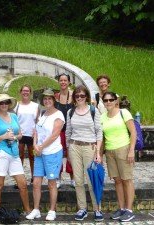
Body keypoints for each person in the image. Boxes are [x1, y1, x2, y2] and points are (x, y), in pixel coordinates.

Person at [0, 93, 31, 214]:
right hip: (0, 153)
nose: (4, 104)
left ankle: (28, 210)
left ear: (9, 104)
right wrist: (3, 136)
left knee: (22, 184)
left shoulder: (14, 116)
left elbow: (20, 134)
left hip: (14, 152)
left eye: (6, 102)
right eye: (1, 102)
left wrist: (14, 137)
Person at [65, 85, 103, 221]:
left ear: (86, 96)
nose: (79, 98)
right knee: (78, 180)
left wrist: (98, 152)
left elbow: (99, 132)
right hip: (75, 147)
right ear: (74, 98)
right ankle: (82, 208)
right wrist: (68, 151)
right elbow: (68, 132)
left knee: (92, 179)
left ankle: (97, 208)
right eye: (77, 96)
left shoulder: (94, 111)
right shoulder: (70, 112)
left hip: (90, 147)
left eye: (82, 95)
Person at [26, 89, 65, 221]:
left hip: (52, 152)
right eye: (45, 99)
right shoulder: (43, 114)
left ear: (54, 100)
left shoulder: (58, 115)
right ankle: (36, 209)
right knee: (36, 182)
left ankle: (52, 210)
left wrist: (41, 147)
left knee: (51, 183)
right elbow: (36, 131)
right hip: (39, 153)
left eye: (49, 99)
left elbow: (54, 135)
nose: (47, 101)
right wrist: (35, 144)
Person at [101, 92, 136, 222]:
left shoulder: (124, 113)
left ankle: (129, 210)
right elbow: (102, 137)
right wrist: (100, 154)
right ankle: (121, 208)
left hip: (124, 149)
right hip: (110, 151)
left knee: (127, 179)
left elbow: (133, 132)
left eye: (111, 99)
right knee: (117, 181)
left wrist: (131, 150)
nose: (108, 102)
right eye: (105, 100)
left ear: (116, 101)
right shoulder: (102, 117)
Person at [14, 84, 39, 185]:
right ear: (20, 92)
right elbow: (14, 120)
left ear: (30, 92)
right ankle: (20, 179)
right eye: (23, 91)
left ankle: (34, 177)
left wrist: (36, 133)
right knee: (19, 156)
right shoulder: (16, 105)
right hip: (20, 134)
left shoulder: (35, 106)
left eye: (27, 91)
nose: (25, 92)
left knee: (33, 157)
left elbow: (37, 120)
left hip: (31, 134)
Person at [54, 73, 75, 188]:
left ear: (68, 82)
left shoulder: (73, 96)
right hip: (58, 130)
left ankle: (73, 178)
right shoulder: (55, 96)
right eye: (61, 80)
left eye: (65, 80)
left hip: (71, 130)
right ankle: (58, 178)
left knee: (71, 154)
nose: (63, 82)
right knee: (58, 154)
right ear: (58, 82)